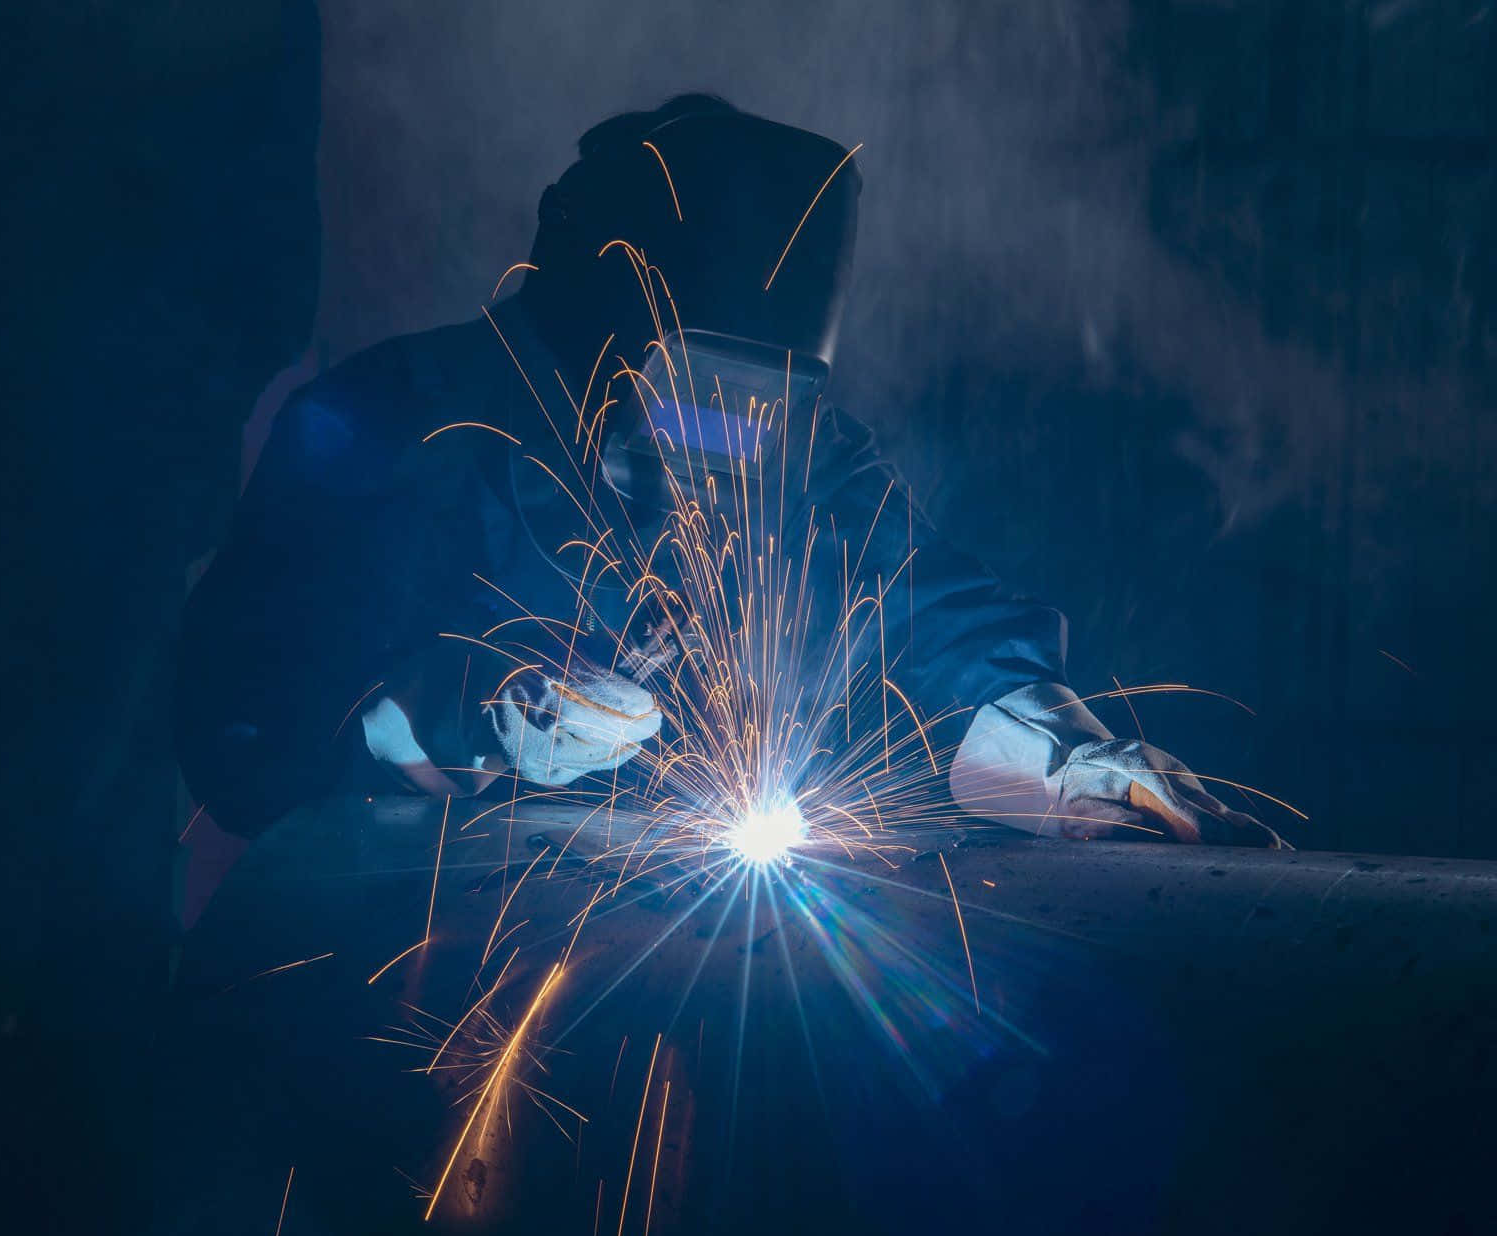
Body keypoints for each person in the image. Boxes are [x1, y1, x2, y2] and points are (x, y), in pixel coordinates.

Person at [176, 94, 1281, 850]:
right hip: (414, 979)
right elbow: (237, 721)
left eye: (762, 394)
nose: (727, 434)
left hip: (672, 973)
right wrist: (437, 709)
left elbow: (917, 618)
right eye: (697, 383)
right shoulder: (388, 421)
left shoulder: (803, 455)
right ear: (604, 330)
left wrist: (1058, 758)